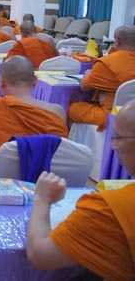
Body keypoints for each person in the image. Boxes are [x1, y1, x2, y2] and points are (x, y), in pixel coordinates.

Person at [26, 100, 135, 279]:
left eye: (118, 138)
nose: (113, 146)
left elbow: (39, 254)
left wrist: (42, 198)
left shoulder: (109, 209)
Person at [0, 56, 68, 168]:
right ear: (35, 82)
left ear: (1, 82)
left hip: (4, 173)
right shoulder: (57, 112)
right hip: (48, 174)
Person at [68, 25, 135, 131]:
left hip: (112, 116)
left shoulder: (107, 62)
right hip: (131, 114)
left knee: (71, 108)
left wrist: (87, 73)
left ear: (117, 41)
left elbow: (84, 86)